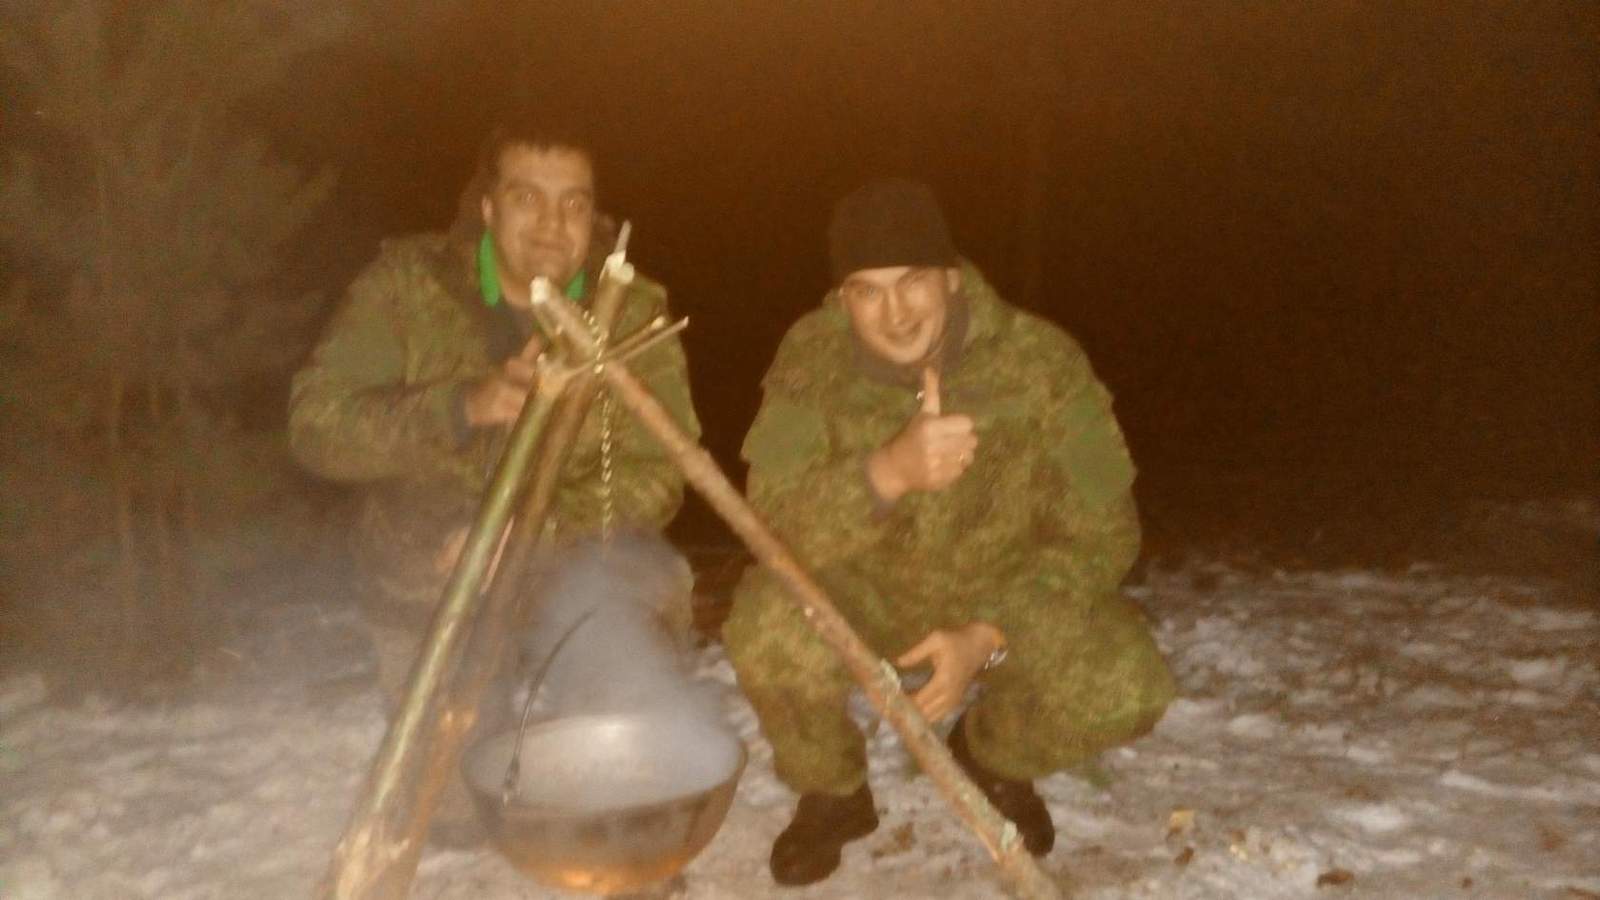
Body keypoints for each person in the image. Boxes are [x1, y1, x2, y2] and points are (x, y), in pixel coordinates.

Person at [722, 178, 1175, 885]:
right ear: (845, 300)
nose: (895, 312)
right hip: (866, 602)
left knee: (1129, 684)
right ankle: (834, 794)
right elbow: (767, 522)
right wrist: (885, 474)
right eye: (868, 291)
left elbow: (1106, 532)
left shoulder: (1043, 364)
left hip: (1002, 608)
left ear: (953, 281)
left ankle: (993, 756)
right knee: (763, 626)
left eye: (912, 282)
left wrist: (990, 633)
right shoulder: (810, 359)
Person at [287, 118, 700, 842]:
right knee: (455, 818)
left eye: (573, 203)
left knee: (647, 599)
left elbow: (659, 473)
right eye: (526, 198)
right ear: (486, 206)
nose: (551, 224)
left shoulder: (629, 310)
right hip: (432, 567)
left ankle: (628, 776)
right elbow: (315, 427)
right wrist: (460, 406)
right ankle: (472, 738)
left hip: (567, 561)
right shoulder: (406, 287)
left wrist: (540, 531)